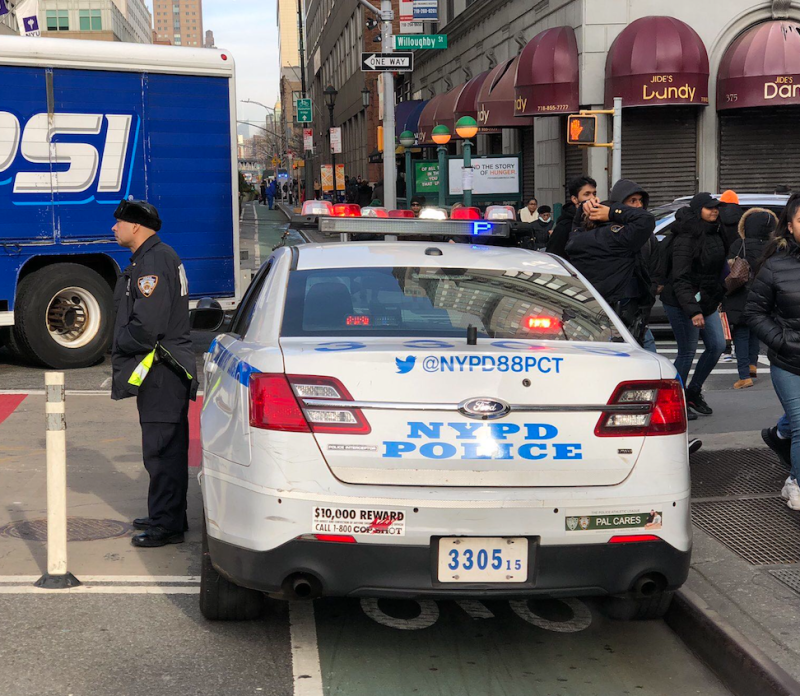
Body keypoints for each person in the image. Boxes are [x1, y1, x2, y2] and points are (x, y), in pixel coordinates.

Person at [110, 199, 198, 547]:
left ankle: (167, 525)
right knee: (165, 447)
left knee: (162, 450)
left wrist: (118, 341)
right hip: (161, 368)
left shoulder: (154, 261)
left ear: (135, 226)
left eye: (118, 222)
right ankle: (168, 514)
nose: (113, 228)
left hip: (162, 369)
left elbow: (147, 326)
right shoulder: (151, 258)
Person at [745, 192, 800, 510]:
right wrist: (782, 341)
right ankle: (796, 481)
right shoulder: (775, 266)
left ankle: (779, 435)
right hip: (789, 361)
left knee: (794, 422)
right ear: (789, 226)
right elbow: (754, 313)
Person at [661, 192, 728, 417]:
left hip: (706, 301)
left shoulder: (717, 232)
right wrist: (693, 310)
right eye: (709, 208)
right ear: (698, 209)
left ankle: (693, 392)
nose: (714, 211)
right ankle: (674, 401)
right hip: (681, 302)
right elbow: (680, 278)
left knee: (718, 345)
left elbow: (718, 271)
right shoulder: (686, 237)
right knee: (687, 352)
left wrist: (720, 296)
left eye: (716, 207)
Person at [565, 179, 656, 347]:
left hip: (596, 307)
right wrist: (614, 211)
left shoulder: (577, 238)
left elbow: (575, 226)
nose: (638, 206)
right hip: (621, 307)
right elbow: (647, 220)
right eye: (632, 201)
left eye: (640, 201)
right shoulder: (618, 237)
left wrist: (581, 214)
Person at [722, 208, 777, 389]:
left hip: (741, 294)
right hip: (763, 295)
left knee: (741, 334)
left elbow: (729, 269)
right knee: (755, 331)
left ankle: (744, 375)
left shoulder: (740, 244)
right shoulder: (773, 246)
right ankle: (753, 365)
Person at [546, 176, 597, 258]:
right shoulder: (564, 226)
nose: (593, 198)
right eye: (587, 194)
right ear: (574, 199)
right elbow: (554, 257)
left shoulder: (598, 220)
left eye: (594, 193)